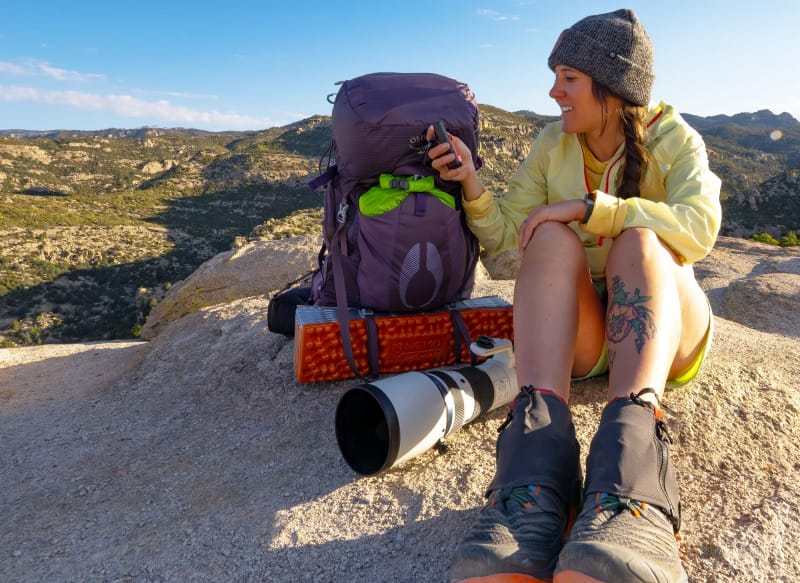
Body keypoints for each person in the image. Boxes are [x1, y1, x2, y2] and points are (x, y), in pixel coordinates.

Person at [427, 8, 721, 583]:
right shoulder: (551, 143)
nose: (553, 90)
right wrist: (470, 183)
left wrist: (597, 210)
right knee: (550, 236)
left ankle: (632, 491)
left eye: (568, 77)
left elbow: (700, 226)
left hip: (665, 336)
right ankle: (537, 482)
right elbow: (512, 238)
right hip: (589, 344)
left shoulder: (673, 137)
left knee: (640, 238)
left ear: (612, 88)